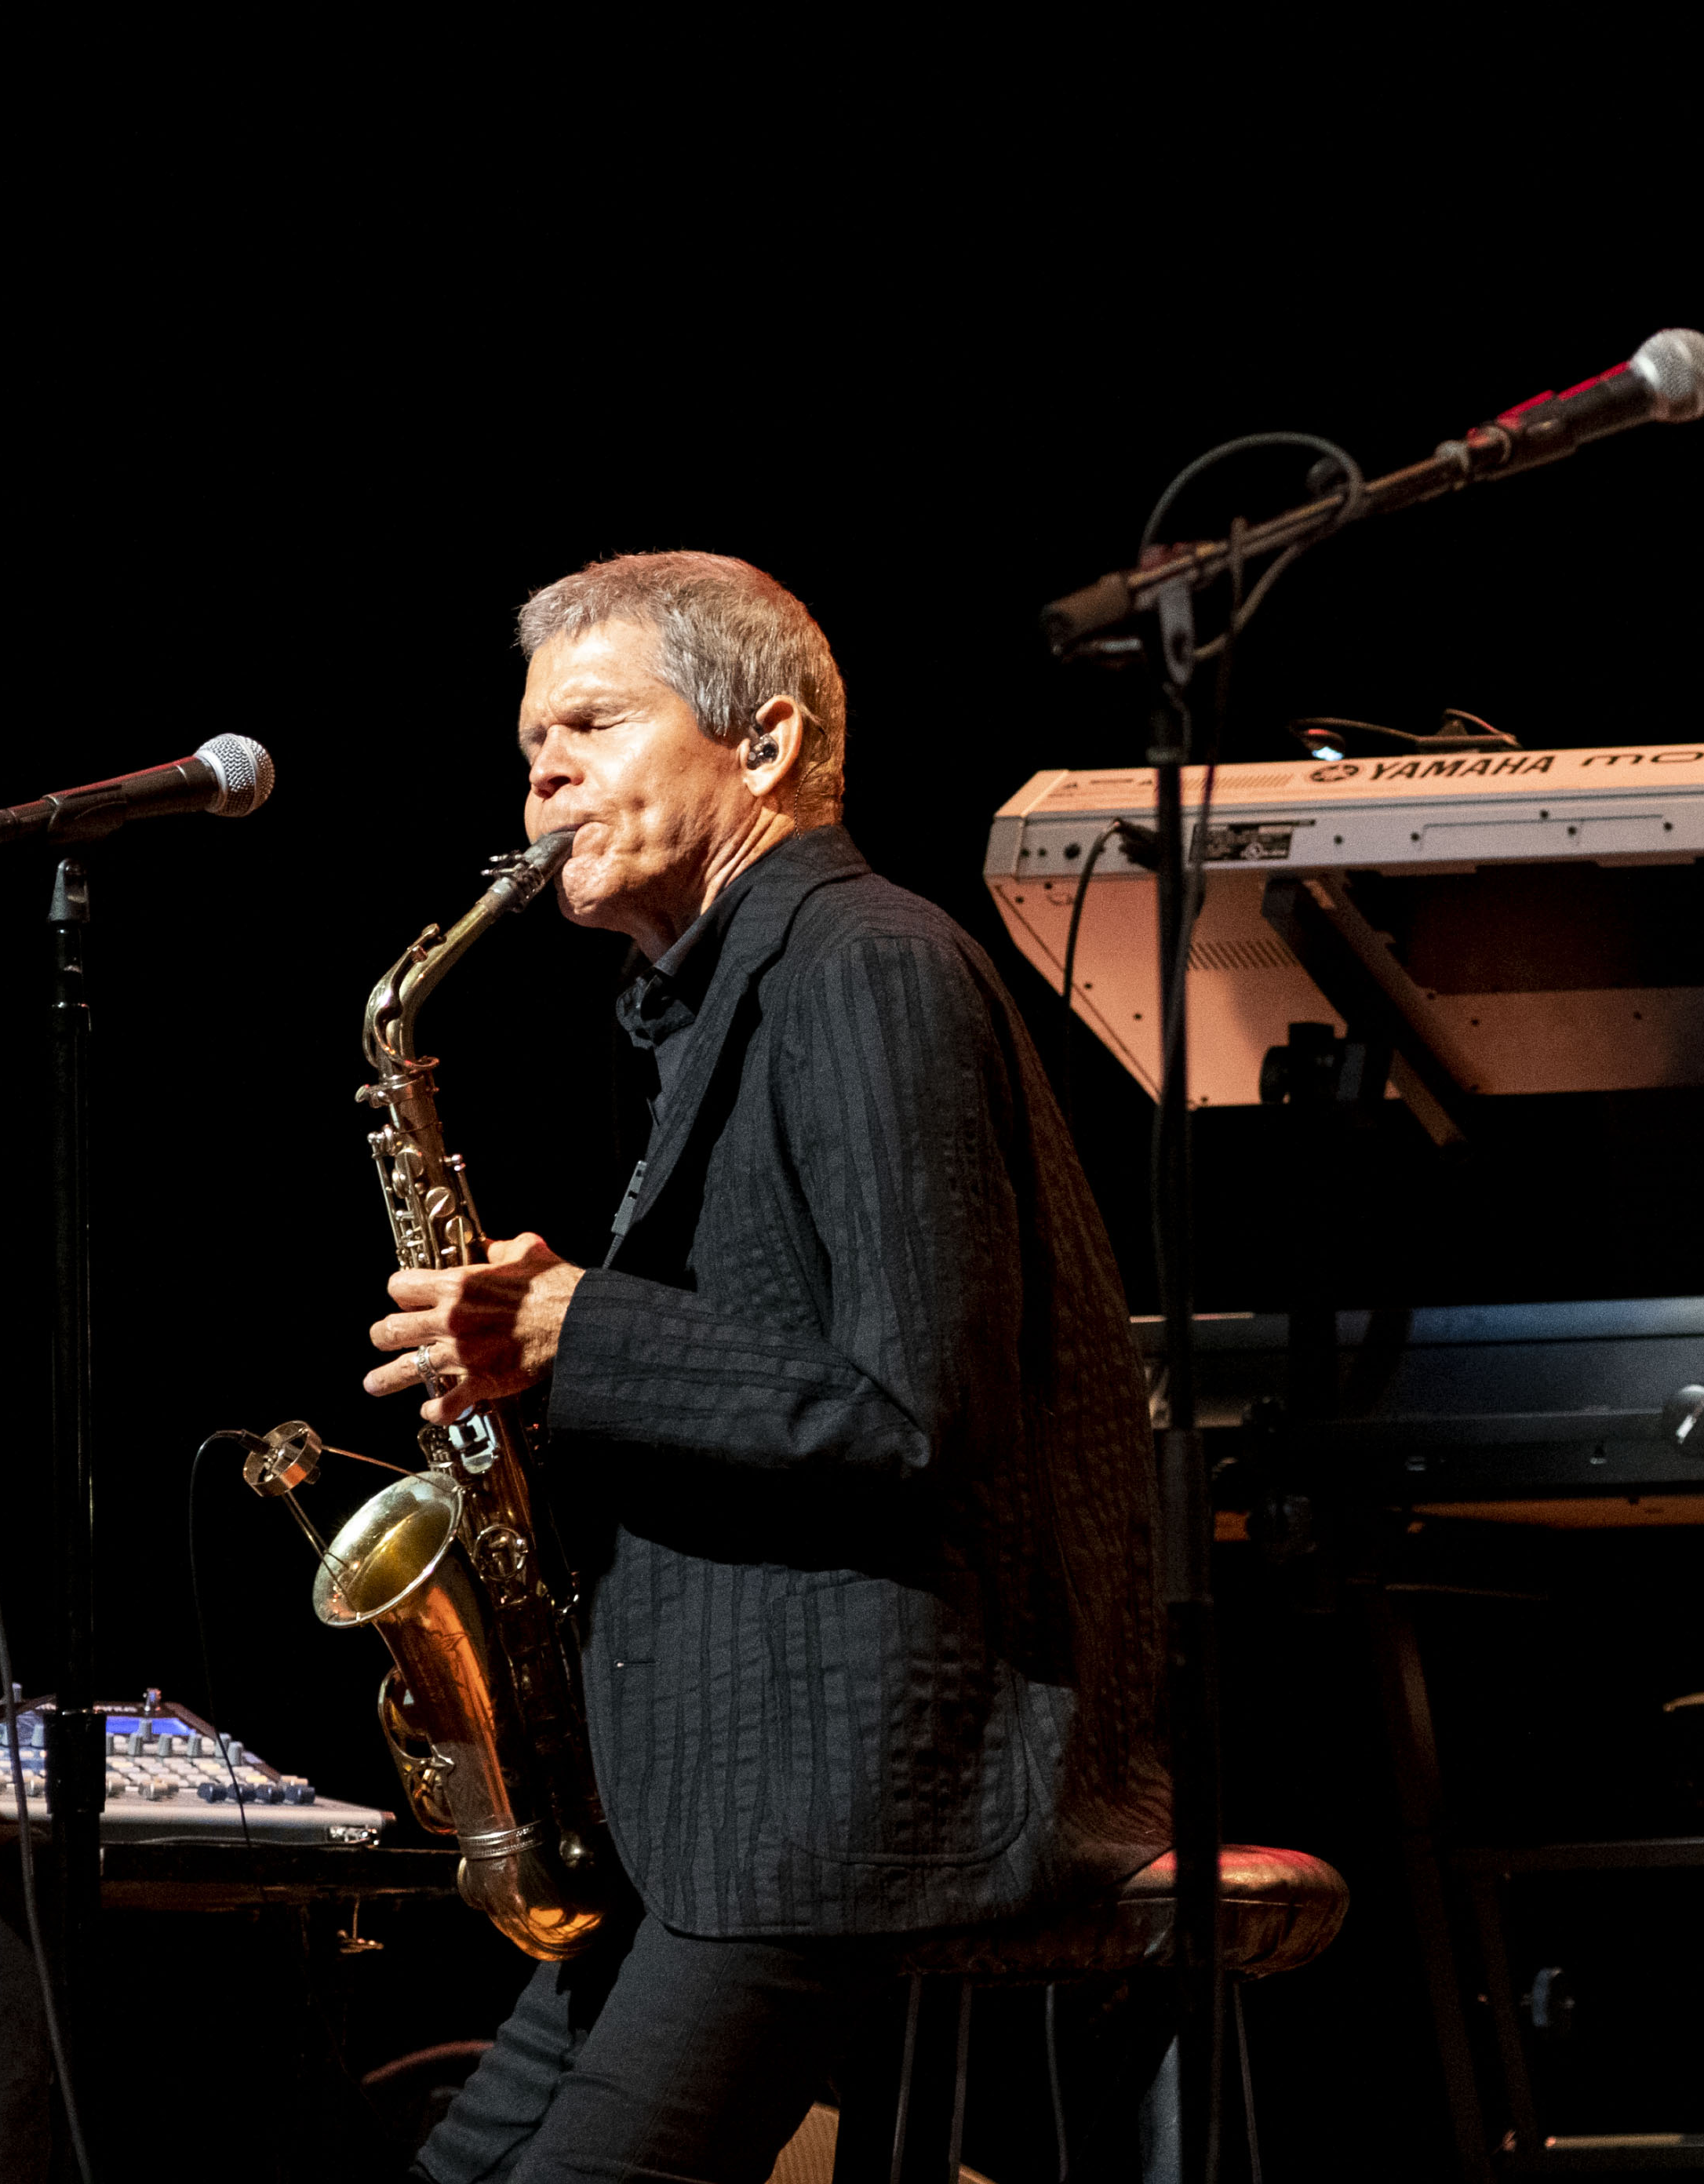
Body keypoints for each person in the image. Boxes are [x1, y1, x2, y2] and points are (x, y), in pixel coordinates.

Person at [365, 551, 1167, 2182]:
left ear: (770, 741)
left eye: (593, 722)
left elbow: (910, 1408)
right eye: (532, 744)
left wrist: (587, 1331)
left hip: (842, 1792)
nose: (544, 774)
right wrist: (554, 1355)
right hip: (721, 1802)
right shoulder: (727, 996)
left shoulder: (865, 964)